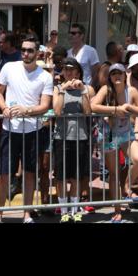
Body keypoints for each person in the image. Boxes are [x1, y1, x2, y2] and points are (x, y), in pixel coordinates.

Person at [0, 37, 54, 223]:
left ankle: (26, 214)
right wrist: (4, 108)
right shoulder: (9, 67)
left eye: (30, 50)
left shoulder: (45, 76)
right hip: (9, 130)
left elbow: (45, 105)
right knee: (4, 175)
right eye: (23, 50)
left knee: (29, 173)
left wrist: (26, 110)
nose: (25, 53)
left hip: (33, 131)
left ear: (38, 53)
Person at [91, 63, 138, 222]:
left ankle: (127, 186)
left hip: (126, 133)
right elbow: (93, 106)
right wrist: (115, 110)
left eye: (120, 73)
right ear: (110, 76)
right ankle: (117, 211)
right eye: (113, 73)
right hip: (108, 135)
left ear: (125, 75)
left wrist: (129, 107)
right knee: (114, 173)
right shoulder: (106, 89)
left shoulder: (132, 91)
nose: (117, 76)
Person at [52, 57, 95, 223]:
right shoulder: (57, 88)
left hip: (80, 137)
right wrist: (63, 90)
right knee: (61, 177)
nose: (68, 72)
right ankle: (64, 211)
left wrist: (83, 90)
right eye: (66, 69)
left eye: (71, 69)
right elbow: (57, 111)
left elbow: (88, 112)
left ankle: (75, 211)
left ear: (78, 72)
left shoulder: (86, 88)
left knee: (76, 176)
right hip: (61, 137)